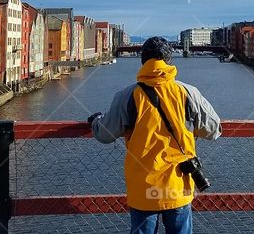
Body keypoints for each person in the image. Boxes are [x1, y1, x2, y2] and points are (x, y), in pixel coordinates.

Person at [89, 37, 222, 234]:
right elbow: (213, 130)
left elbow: (105, 134)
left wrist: (95, 121)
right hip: (177, 186)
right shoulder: (188, 93)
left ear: (143, 62)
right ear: (169, 61)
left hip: (143, 188)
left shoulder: (127, 96)